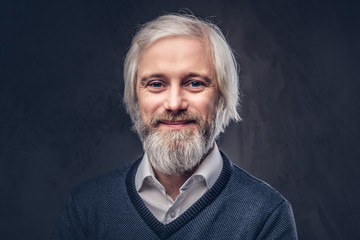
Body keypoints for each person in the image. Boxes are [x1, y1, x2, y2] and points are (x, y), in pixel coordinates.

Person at [53, 13, 297, 239]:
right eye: (157, 84)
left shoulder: (266, 216)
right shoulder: (86, 208)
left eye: (194, 83)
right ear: (135, 99)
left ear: (222, 98)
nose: (174, 104)